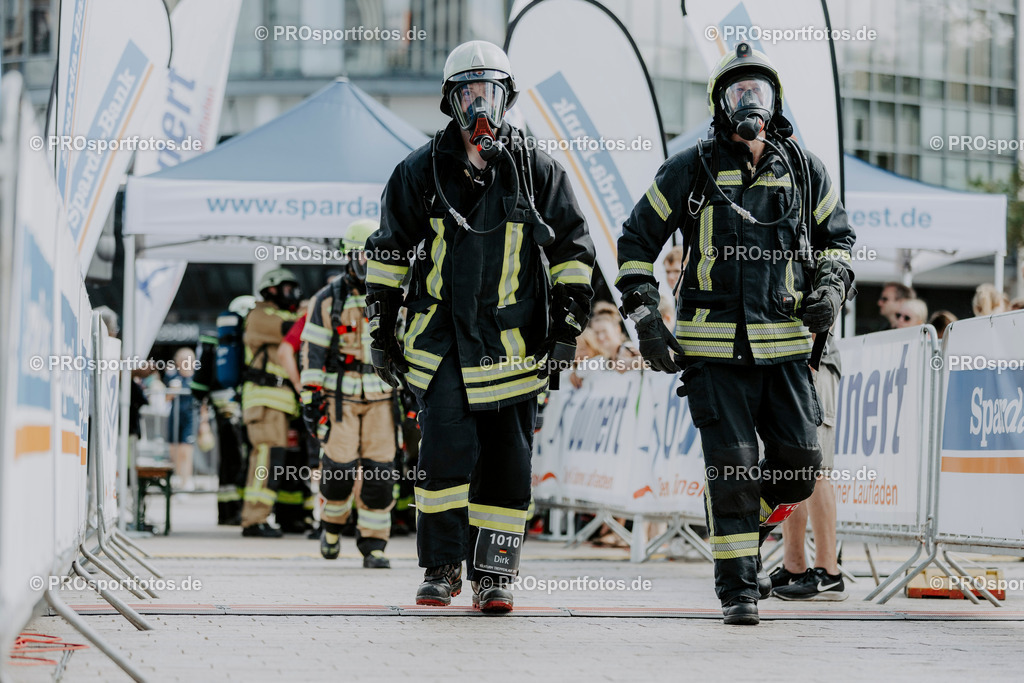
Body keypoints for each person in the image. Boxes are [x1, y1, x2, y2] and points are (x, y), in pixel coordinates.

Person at [615, 43, 855, 625]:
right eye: (739, 92)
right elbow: (634, 244)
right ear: (721, 105)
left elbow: (839, 243)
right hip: (713, 353)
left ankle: (739, 518)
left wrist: (829, 288)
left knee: (799, 464)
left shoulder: (802, 168)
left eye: (760, 92)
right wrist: (646, 317)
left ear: (774, 103)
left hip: (786, 351)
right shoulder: (690, 168)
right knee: (734, 470)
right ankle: (738, 591)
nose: (751, 102)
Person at [365, 40, 595, 613]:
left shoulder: (537, 170)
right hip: (441, 343)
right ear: (452, 102)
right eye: (468, 93)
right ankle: (442, 568)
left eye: (489, 92)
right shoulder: (420, 171)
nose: (480, 106)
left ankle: (493, 574)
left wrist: (568, 324)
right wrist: (382, 332)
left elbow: (573, 248)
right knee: (442, 455)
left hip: (514, 343)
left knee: (506, 462)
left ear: (506, 97)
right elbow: (388, 251)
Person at [300, 220, 397, 568]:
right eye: (363, 254)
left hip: (383, 401)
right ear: (349, 255)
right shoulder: (327, 300)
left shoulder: (395, 295)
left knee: (380, 476)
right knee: (338, 472)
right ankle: (331, 527)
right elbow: (311, 351)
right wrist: (310, 397)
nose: (369, 262)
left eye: (376, 255)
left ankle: (374, 546)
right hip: (340, 400)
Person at [771, 334, 846, 601]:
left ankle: (829, 573)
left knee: (817, 468)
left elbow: (832, 297)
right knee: (790, 469)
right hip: (786, 358)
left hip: (814, 358)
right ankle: (794, 567)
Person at [240, 268, 303, 537]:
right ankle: (254, 519)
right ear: (271, 290)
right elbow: (292, 330)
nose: (292, 295)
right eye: (287, 289)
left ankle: (275, 516)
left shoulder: (283, 314)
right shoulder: (260, 315)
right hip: (264, 400)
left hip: (282, 401)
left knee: (278, 459)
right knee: (265, 457)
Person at [165, 347, 198, 491]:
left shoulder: (195, 378)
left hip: (190, 417)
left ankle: (186, 481)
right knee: (174, 451)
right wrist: (172, 391)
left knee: (185, 451)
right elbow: (166, 398)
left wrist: (203, 422)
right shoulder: (173, 377)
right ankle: (178, 479)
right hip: (174, 416)